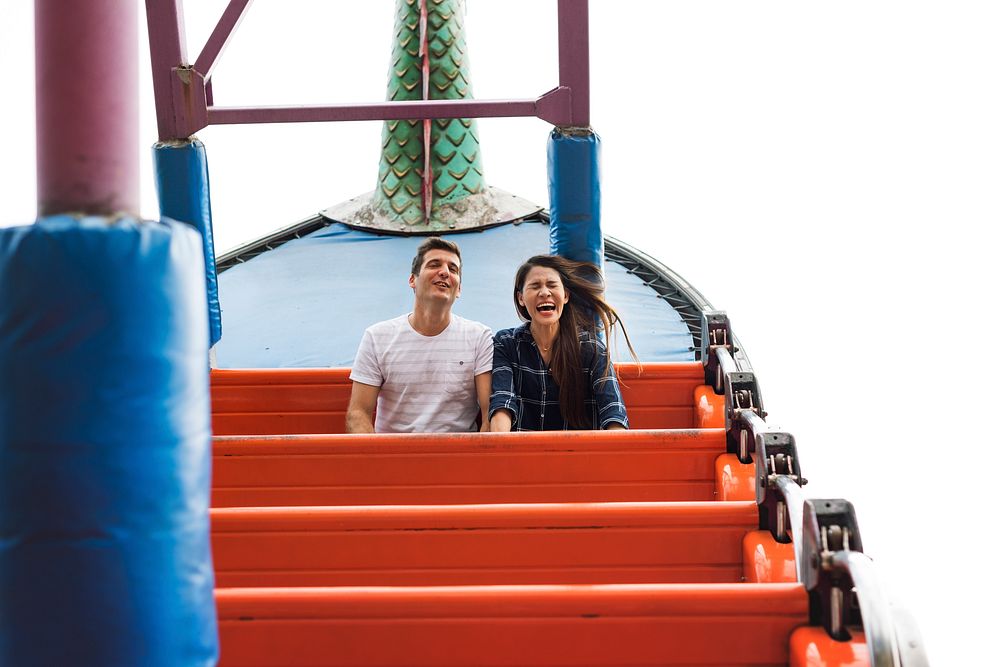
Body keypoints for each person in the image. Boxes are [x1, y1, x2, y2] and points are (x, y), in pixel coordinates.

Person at [346, 236, 493, 433]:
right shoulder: (377, 336)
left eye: (453, 269)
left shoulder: (479, 337)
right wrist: (377, 461)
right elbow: (358, 413)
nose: (444, 272)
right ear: (412, 280)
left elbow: (489, 415)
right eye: (434, 265)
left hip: (458, 458)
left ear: (459, 289)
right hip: (394, 457)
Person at [489, 255, 638, 432]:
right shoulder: (507, 343)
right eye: (535, 286)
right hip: (522, 456)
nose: (544, 292)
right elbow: (502, 402)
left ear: (565, 295)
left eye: (552, 285)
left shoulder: (592, 348)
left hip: (579, 456)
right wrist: (501, 451)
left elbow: (613, 411)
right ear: (521, 298)